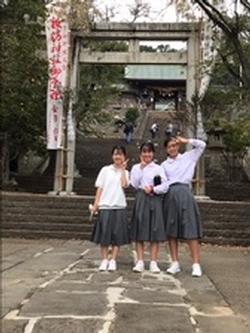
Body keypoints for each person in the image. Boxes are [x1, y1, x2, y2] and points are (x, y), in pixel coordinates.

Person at [162, 136, 206, 277]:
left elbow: (202, 145)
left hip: (185, 192)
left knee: (190, 228)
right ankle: (175, 262)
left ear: (178, 146)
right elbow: (162, 183)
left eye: (174, 145)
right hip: (170, 194)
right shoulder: (164, 165)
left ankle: (196, 264)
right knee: (171, 230)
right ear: (166, 149)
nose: (172, 148)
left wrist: (186, 141)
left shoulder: (188, 157)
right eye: (169, 147)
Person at [130, 142, 169, 273]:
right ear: (141, 153)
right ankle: (140, 261)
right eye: (144, 152)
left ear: (153, 153)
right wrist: (141, 168)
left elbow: (165, 185)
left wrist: (154, 189)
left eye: (149, 152)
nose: (147, 154)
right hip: (141, 197)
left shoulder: (158, 168)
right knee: (139, 229)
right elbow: (134, 184)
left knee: (155, 229)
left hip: (155, 198)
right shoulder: (136, 167)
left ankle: (153, 262)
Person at [90, 145, 130, 272]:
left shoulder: (126, 172)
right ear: (112, 156)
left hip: (119, 206)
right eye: (115, 154)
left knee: (117, 235)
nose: (117, 156)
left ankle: (113, 259)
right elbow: (100, 188)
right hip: (105, 205)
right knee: (104, 235)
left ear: (124, 156)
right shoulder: (105, 170)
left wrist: (123, 170)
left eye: (120, 154)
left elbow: (124, 185)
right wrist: (96, 204)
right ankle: (104, 259)